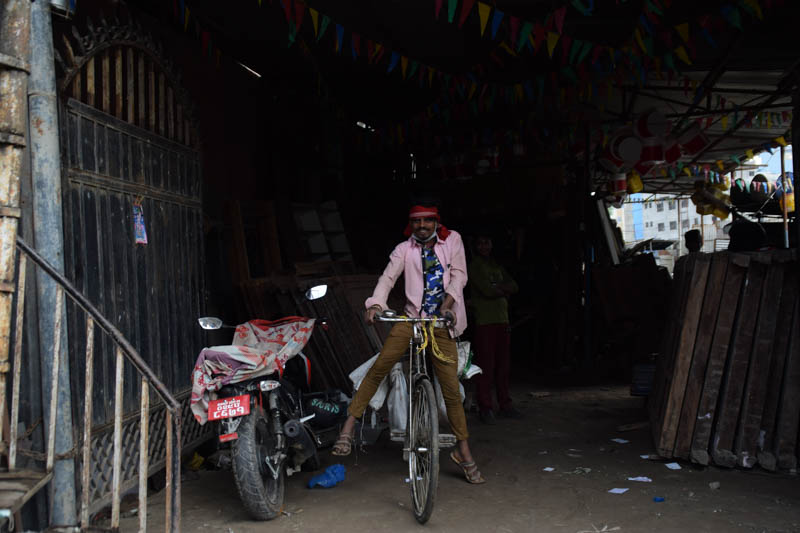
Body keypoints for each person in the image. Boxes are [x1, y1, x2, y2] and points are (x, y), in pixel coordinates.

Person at [332, 204, 485, 484]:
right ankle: (348, 427)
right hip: (412, 319)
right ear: (411, 225)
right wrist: (376, 304)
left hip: (442, 323)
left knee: (451, 388)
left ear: (436, 222)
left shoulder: (453, 240)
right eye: (417, 221)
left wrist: (448, 306)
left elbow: (459, 276)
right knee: (381, 365)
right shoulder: (404, 249)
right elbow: (388, 277)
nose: (422, 225)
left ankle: (463, 451)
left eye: (428, 220)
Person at [468, 233, 520, 424]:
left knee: (503, 366)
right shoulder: (474, 267)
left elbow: (515, 286)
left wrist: (498, 287)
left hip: (502, 320)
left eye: (487, 242)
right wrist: (500, 289)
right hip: (485, 321)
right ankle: (486, 407)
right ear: (476, 246)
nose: (484, 247)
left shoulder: (496, 266)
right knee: (486, 366)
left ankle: (505, 405)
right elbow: (487, 291)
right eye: (480, 243)